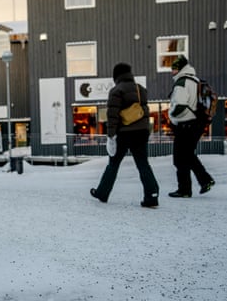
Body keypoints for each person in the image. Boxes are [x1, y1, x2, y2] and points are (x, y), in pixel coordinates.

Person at [90, 63, 159, 207]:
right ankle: (152, 195)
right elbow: (145, 113)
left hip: (124, 133)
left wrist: (110, 136)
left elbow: (112, 116)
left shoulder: (116, 90)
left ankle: (102, 193)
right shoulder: (141, 90)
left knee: (113, 164)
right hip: (141, 132)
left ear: (116, 76)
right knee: (143, 164)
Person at [167, 55, 215, 198]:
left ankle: (186, 189)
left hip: (186, 124)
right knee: (187, 155)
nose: (172, 72)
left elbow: (180, 105)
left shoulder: (182, 82)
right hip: (196, 123)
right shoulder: (195, 80)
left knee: (179, 157)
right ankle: (203, 181)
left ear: (180, 68)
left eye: (174, 68)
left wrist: (172, 117)